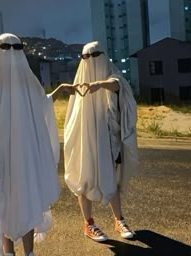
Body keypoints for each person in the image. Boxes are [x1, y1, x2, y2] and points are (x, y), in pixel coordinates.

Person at [0, 33, 74, 256]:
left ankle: (28, 252)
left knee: (27, 200)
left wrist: (59, 90)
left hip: (25, 156)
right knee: (4, 205)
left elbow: (42, 102)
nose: (12, 54)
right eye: (7, 48)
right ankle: (8, 252)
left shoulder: (28, 82)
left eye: (17, 48)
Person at [64, 41, 138, 242]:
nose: (91, 61)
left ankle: (119, 219)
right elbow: (74, 116)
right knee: (85, 177)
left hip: (109, 139)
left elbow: (118, 85)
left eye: (95, 55)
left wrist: (99, 85)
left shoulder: (112, 77)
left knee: (111, 178)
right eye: (86, 57)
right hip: (86, 139)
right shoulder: (80, 81)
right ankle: (89, 223)